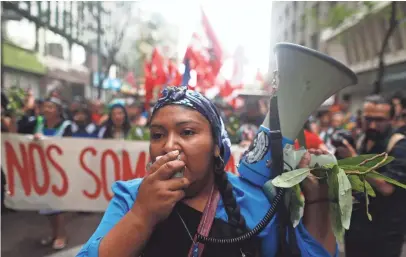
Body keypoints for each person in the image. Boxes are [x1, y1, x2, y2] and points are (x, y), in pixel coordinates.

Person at [77, 86, 337, 257]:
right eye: (157, 135)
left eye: (187, 132)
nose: (168, 146)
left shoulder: (255, 202)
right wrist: (143, 214)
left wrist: (318, 200)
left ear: (216, 146)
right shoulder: (131, 197)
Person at [345, 95, 406, 257]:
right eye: (368, 119)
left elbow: (387, 187)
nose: (372, 125)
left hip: (385, 234)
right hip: (356, 227)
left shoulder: (399, 144)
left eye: (379, 120)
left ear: (392, 119)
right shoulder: (362, 140)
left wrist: (354, 161)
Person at [17, 97, 72, 250]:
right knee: (46, 204)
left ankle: (62, 234)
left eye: (51, 107)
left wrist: (46, 141)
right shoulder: (37, 123)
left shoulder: (67, 126)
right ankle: (54, 233)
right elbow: (17, 131)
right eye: (45, 107)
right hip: (41, 171)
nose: (47, 110)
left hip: (59, 171)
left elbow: (70, 147)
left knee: (58, 205)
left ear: (59, 111)